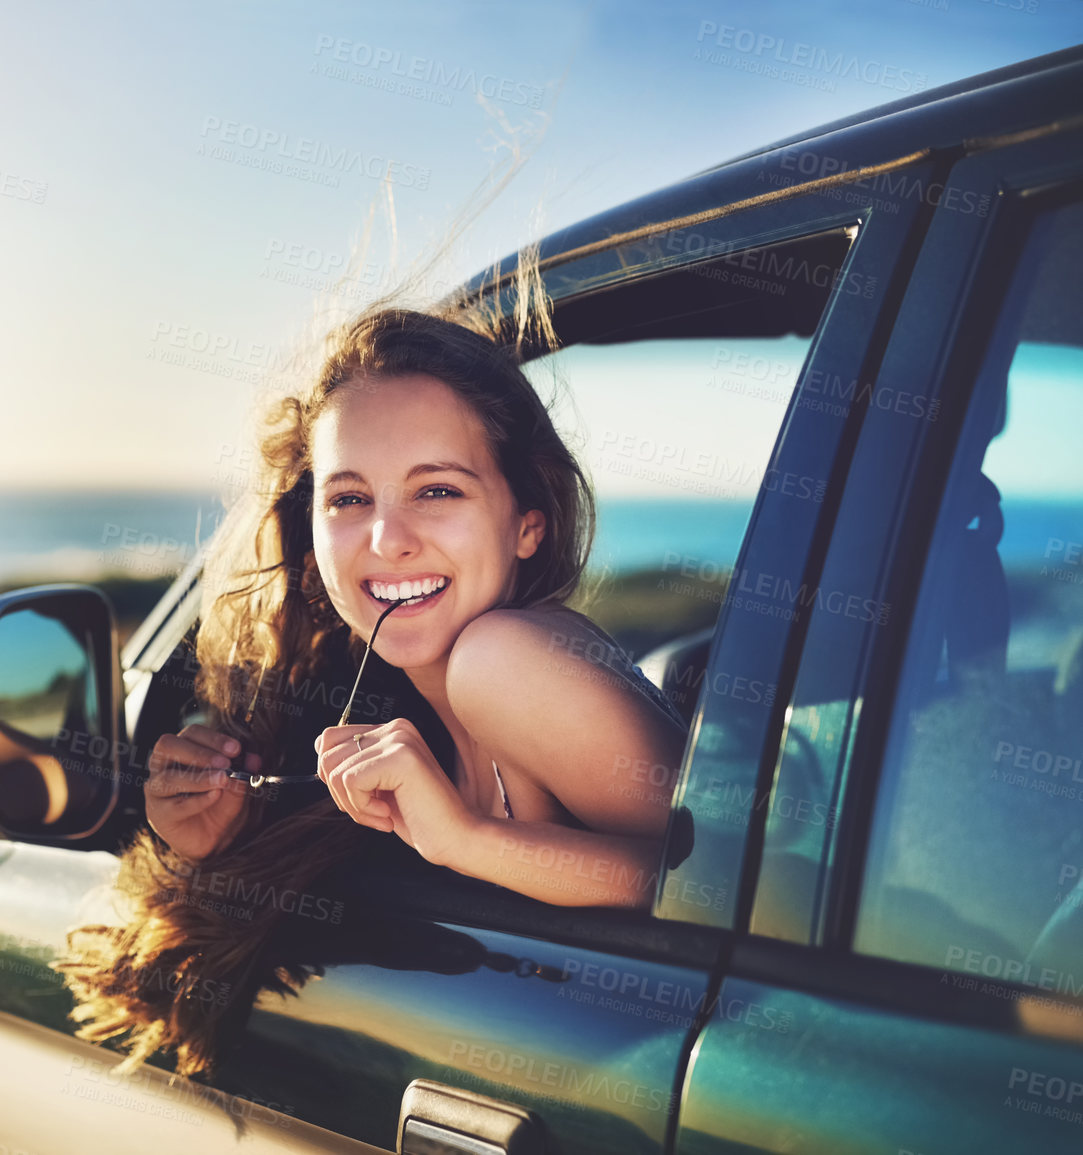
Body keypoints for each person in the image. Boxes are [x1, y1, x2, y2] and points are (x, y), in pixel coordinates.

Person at [56, 303, 689, 1078]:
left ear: (527, 524)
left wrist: (466, 840)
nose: (386, 539)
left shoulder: (504, 656)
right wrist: (208, 847)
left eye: (437, 491)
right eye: (349, 499)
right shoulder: (385, 709)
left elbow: (727, 890)